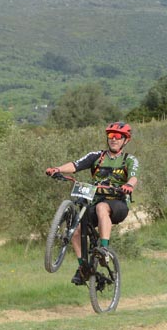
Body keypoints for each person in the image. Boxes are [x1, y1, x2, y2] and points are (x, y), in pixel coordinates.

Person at [45, 122, 139, 285]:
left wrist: (129, 185)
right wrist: (58, 169)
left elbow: (133, 176)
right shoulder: (97, 156)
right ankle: (83, 267)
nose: (114, 139)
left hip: (118, 203)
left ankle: (104, 248)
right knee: (75, 230)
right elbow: (75, 165)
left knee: (103, 208)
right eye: (111, 136)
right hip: (95, 201)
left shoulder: (129, 160)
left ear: (126, 140)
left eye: (118, 136)